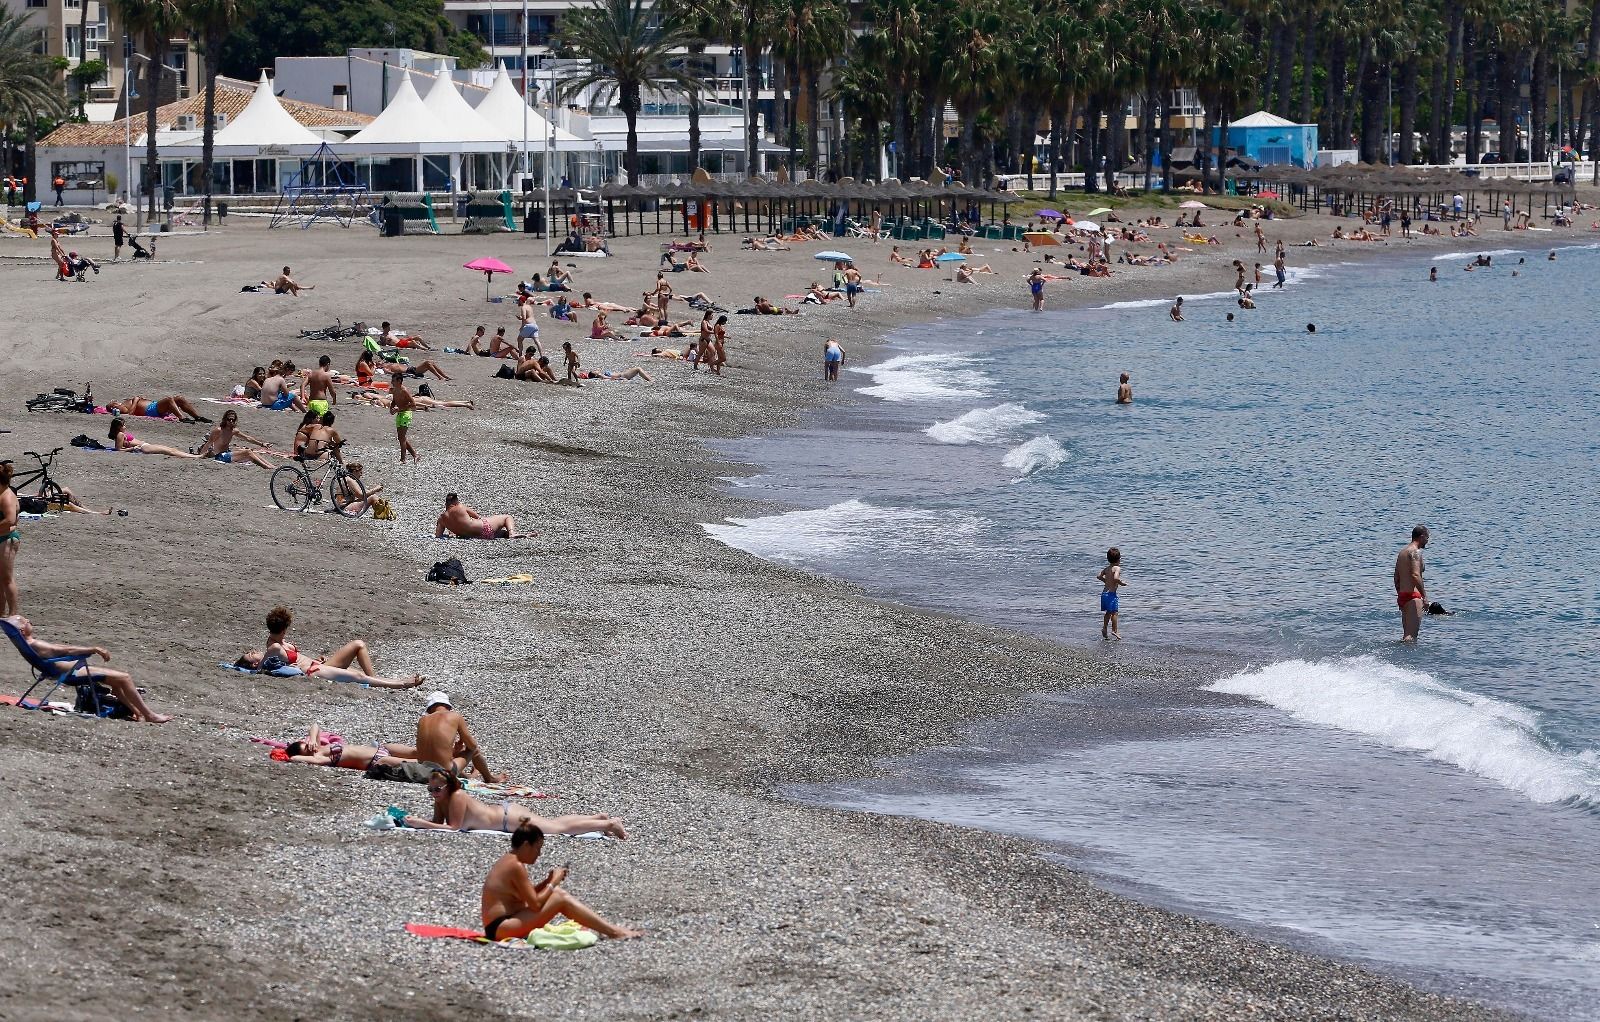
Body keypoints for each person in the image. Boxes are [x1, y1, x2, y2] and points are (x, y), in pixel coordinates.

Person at [479, 821, 643, 942]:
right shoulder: (515, 866)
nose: (539, 854)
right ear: (526, 845)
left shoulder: (509, 861)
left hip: (499, 926)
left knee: (557, 894)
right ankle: (613, 932)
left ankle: (611, 930)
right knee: (559, 897)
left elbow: (525, 898)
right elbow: (535, 904)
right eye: (537, 848)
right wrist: (554, 882)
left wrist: (547, 882)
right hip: (501, 928)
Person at [4, 615, 172, 721]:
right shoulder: (36, 644)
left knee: (117, 681)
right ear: (22, 630)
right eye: (25, 621)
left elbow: (57, 648)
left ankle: (137, 712)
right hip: (72, 674)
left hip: (62, 671)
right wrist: (93, 649)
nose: (28, 621)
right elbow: (65, 650)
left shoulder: (29, 644)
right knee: (124, 677)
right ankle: (150, 715)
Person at [400, 769, 627, 839]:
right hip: (507, 814)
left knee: (560, 829)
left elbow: (454, 828)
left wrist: (420, 824)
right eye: (430, 789)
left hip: (509, 819)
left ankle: (608, 825)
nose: (433, 793)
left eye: (437, 789)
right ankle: (598, 819)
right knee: (554, 822)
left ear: (449, 786)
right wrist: (415, 822)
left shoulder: (457, 797)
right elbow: (437, 823)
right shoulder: (443, 800)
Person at [234, 605, 423, 688]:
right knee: (357, 675)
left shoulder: (279, 644)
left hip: (319, 664)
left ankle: (377, 681)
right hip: (314, 672)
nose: (252, 652)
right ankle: (401, 683)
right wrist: (256, 667)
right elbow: (260, 668)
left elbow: (292, 659)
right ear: (284, 628)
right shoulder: (273, 648)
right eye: (250, 655)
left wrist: (316, 659)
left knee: (358, 645)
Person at [416, 692, 505, 782]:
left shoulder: (422, 720)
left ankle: (468, 776)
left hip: (422, 771)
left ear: (430, 708)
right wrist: (461, 748)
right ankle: (489, 778)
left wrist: (454, 751)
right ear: (447, 705)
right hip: (443, 773)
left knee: (450, 758)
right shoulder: (455, 716)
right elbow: (472, 745)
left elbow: (431, 751)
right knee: (473, 750)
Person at [284, 724, 419, 771]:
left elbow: (315, 726)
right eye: (307, 750)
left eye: (308, 746)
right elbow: (294, 758)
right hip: (376, 761)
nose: (311, 748)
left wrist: (312, 739)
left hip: (381, 749)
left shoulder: (318, 747)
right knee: (418, 763)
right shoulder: (319, 758)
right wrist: (292, 756)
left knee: (417, 752)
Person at [194, 410, 276, 467]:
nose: (231, 421)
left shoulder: (233, 431)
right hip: (219, 456)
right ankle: (266, 466)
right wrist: (200, 456)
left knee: (254, 453)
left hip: (227, 453)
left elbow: (247, 438)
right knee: (248, 452)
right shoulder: (219, 430)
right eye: (229, 419)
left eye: (233, 420)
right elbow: (209, 442)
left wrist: (262, 444)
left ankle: (272, 466)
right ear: (225, 420)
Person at [435, 493, 533, 540]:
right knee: (507, 517)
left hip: (474, 536)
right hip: (484, 529)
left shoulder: (441, 519)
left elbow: (438, 536)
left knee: (502, 533)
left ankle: (525, 535)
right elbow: (477, 516)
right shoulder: (460, 507)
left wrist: (452, 531)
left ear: (446, 504)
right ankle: (512, 533)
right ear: (456, 501)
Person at [1394, 525, 1430, 642]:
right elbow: (1415, 575)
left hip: (1403, 595)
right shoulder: (1415, 552)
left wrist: (1400, 594)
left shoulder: (1402, 552)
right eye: (1427, 538)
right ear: (1422, 536)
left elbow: (1396, 577)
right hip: (1413, 597)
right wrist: (1424, 596)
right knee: (1411, 637)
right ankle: (1408, 660)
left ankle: (1400, 657)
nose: (1427, 541)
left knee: (1406, 635)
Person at [107, 417, 206, 459]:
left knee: (171, 450)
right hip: (142, 447)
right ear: (118, 427)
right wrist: (133, 448)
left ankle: (194, 456)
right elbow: (118, 449)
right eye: (123, 425)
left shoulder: (121, 434)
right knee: (170, 451)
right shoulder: (120, 434)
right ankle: (196, 457)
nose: (125, 427)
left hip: (144, 446)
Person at [107, 395, 209, 423]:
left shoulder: (122, 403)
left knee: (180, 399)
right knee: (169, 399)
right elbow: (130, 413)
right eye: (112, 402)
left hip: (154, 405)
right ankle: (182, 417)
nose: (114, 401)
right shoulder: (120, 408)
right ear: (112, 406)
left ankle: (197, 417)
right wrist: (136, 400)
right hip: (151, 410)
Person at [389, 373, 419, 463]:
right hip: (399, 413)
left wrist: (400, 408)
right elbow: (394, 401)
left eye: (393, 381)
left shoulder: (404, 391)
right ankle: (415, 455)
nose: (391, 382)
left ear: (399, 381)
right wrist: (392, 408)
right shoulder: (394, 390)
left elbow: (413, 404)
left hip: (406, 413)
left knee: (402, 437)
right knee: (401, 437)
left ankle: (403, 459)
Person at [0, 460, 17, 615]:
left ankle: (13, 615)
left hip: (7, 539)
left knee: (6, 579)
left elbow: (10, 520)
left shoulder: (6, 496)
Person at [1096, 547, 1124, 640]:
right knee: (1115, 613)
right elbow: (1116, 578)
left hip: (1104, 594)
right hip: (1111, 594)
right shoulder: (1117, 568)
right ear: (1119, 559)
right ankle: (1114, 630)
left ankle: (1104, 628)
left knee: (1108, 613)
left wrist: (1106, 581)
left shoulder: (1107, 568)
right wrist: (1121, 583)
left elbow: (1099, 576)